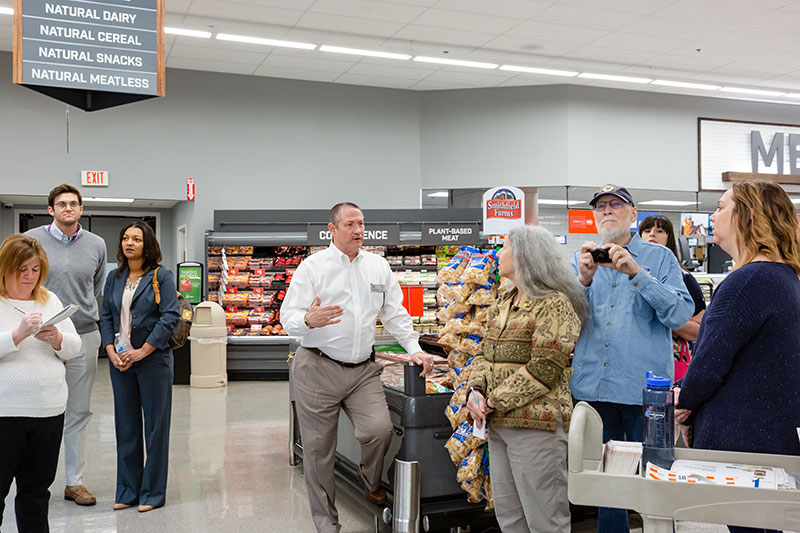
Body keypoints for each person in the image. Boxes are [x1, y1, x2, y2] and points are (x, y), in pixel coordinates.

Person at [280, 202, 435, 533]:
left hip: (363, 369)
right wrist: (308, 319)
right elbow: (287, 317)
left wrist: (414, 349)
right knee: (319, 451)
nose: (358, 230)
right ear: (332, 229)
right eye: (350, 224)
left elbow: (395, 313)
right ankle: (327, 524)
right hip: (318, 366)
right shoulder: (312, 268)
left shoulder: (378, 267)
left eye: (361, 224)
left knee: (378, 430)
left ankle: (370, 479)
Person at [676, 182, 800, 533]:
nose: (712, 216)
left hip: (742, 442)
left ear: (746, 215)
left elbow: (709, 363)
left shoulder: (746, 281)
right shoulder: (784, 277)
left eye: (720, 207)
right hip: (772, 436)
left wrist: (683, 403)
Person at [571, 184, 694, 533]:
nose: (607, 211)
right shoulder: (581, 260)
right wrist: (582, 282)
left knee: (656, 480)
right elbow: (562, 323)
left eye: (615, 205)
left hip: (646, 391)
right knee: (608, 486)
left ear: (632, 214)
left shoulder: (659, 258)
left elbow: (680, 314)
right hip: (594, 389)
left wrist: (638, 275)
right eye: (600, 207)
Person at [465, 225, 586, 533]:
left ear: (524, 256)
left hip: (536, 426)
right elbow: (483, 354)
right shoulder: (503, 301)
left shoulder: (553, 303)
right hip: (499, 424)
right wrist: (475, 390)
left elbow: (546, 366)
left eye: (504, 247)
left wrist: (493, 400)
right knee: (510, 517)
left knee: (545, 518)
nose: (498, 254)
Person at [25, 183, 107, 506]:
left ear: (81, 209)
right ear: (51, 210)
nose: (68, 208)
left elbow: (95, 286)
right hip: (40, 336)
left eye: (74, 203)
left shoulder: (96, 244)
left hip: (84, 334)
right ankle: (31, 480)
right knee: (37, 410)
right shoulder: (33, 240)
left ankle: (75, 482)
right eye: (62, 204)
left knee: (78, 411)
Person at [0, 234, 82, 531]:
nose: (29, 277)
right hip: (5, 414)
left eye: (35, 270)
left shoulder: (49, 300)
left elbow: (76, 347)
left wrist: (58, 339)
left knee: (36, 495)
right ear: (5, 268)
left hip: (48, 413)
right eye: (22, 270)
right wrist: (16, 335)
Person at [99, 221, 179, 513]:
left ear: (148, 244)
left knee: (155, 428)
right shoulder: (114, 277)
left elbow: (170, 316)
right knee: (126, 425)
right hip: (120, 361)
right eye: (125, 238)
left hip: (153, 361)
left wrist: (142, 351)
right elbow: (106, 316)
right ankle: (128, 490)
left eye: (136, 239)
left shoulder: (162, 276)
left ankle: (153, 493)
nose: (129, 243)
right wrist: (110, 350)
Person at [639, 215, 706, 380]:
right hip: (637, 361)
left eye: (659, 231)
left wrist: (665, 317)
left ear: (669, 238)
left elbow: (699, 330)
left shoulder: (683, 278)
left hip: (670, 360)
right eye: (647, 231)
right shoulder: (630, 273)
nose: (652, 235)